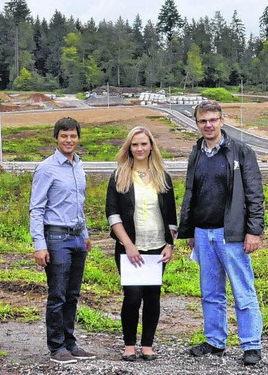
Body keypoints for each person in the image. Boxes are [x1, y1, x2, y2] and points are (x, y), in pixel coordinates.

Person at [177, 100, 265, 366]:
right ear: (197, 123)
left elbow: (254, 194)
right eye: (203, 121)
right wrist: (190, 229)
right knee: (211, 292)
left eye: (213, 119)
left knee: (242, 290)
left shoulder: (240, 152)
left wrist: (254, 231)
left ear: (222, 121)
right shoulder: (197, 152)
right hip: (203, 234)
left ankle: (251, 345)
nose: (208, 125)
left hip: (232, 234)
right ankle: (215, 341)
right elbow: (191, 192)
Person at [105, 126, 177, 362]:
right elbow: (113, 215)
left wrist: (170, 244)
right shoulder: (119, 176)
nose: (140, 148)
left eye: (144, 144)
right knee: (133, 297)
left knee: (153, 296)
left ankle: (147, 345)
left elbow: (171, 216)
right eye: (135, 144)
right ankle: (128, 345)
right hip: (129, 248)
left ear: (151, 146)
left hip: (157, 247)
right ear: (129, 147)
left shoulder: (162, 176)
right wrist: (128, 244)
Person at [29, 117, 96, 364]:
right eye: (64, 136)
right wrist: (40, 244)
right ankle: (57, 347)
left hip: (77, 237)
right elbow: (36, 208)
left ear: (78, 138)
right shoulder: (47, 168)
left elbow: (79, 203)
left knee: (73, 294)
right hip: (56, 237)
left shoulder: (79, 165)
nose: (69, 140)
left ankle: (70, 343)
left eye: (73, 136)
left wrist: (86, 234)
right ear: (56, 138)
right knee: (57, 294)